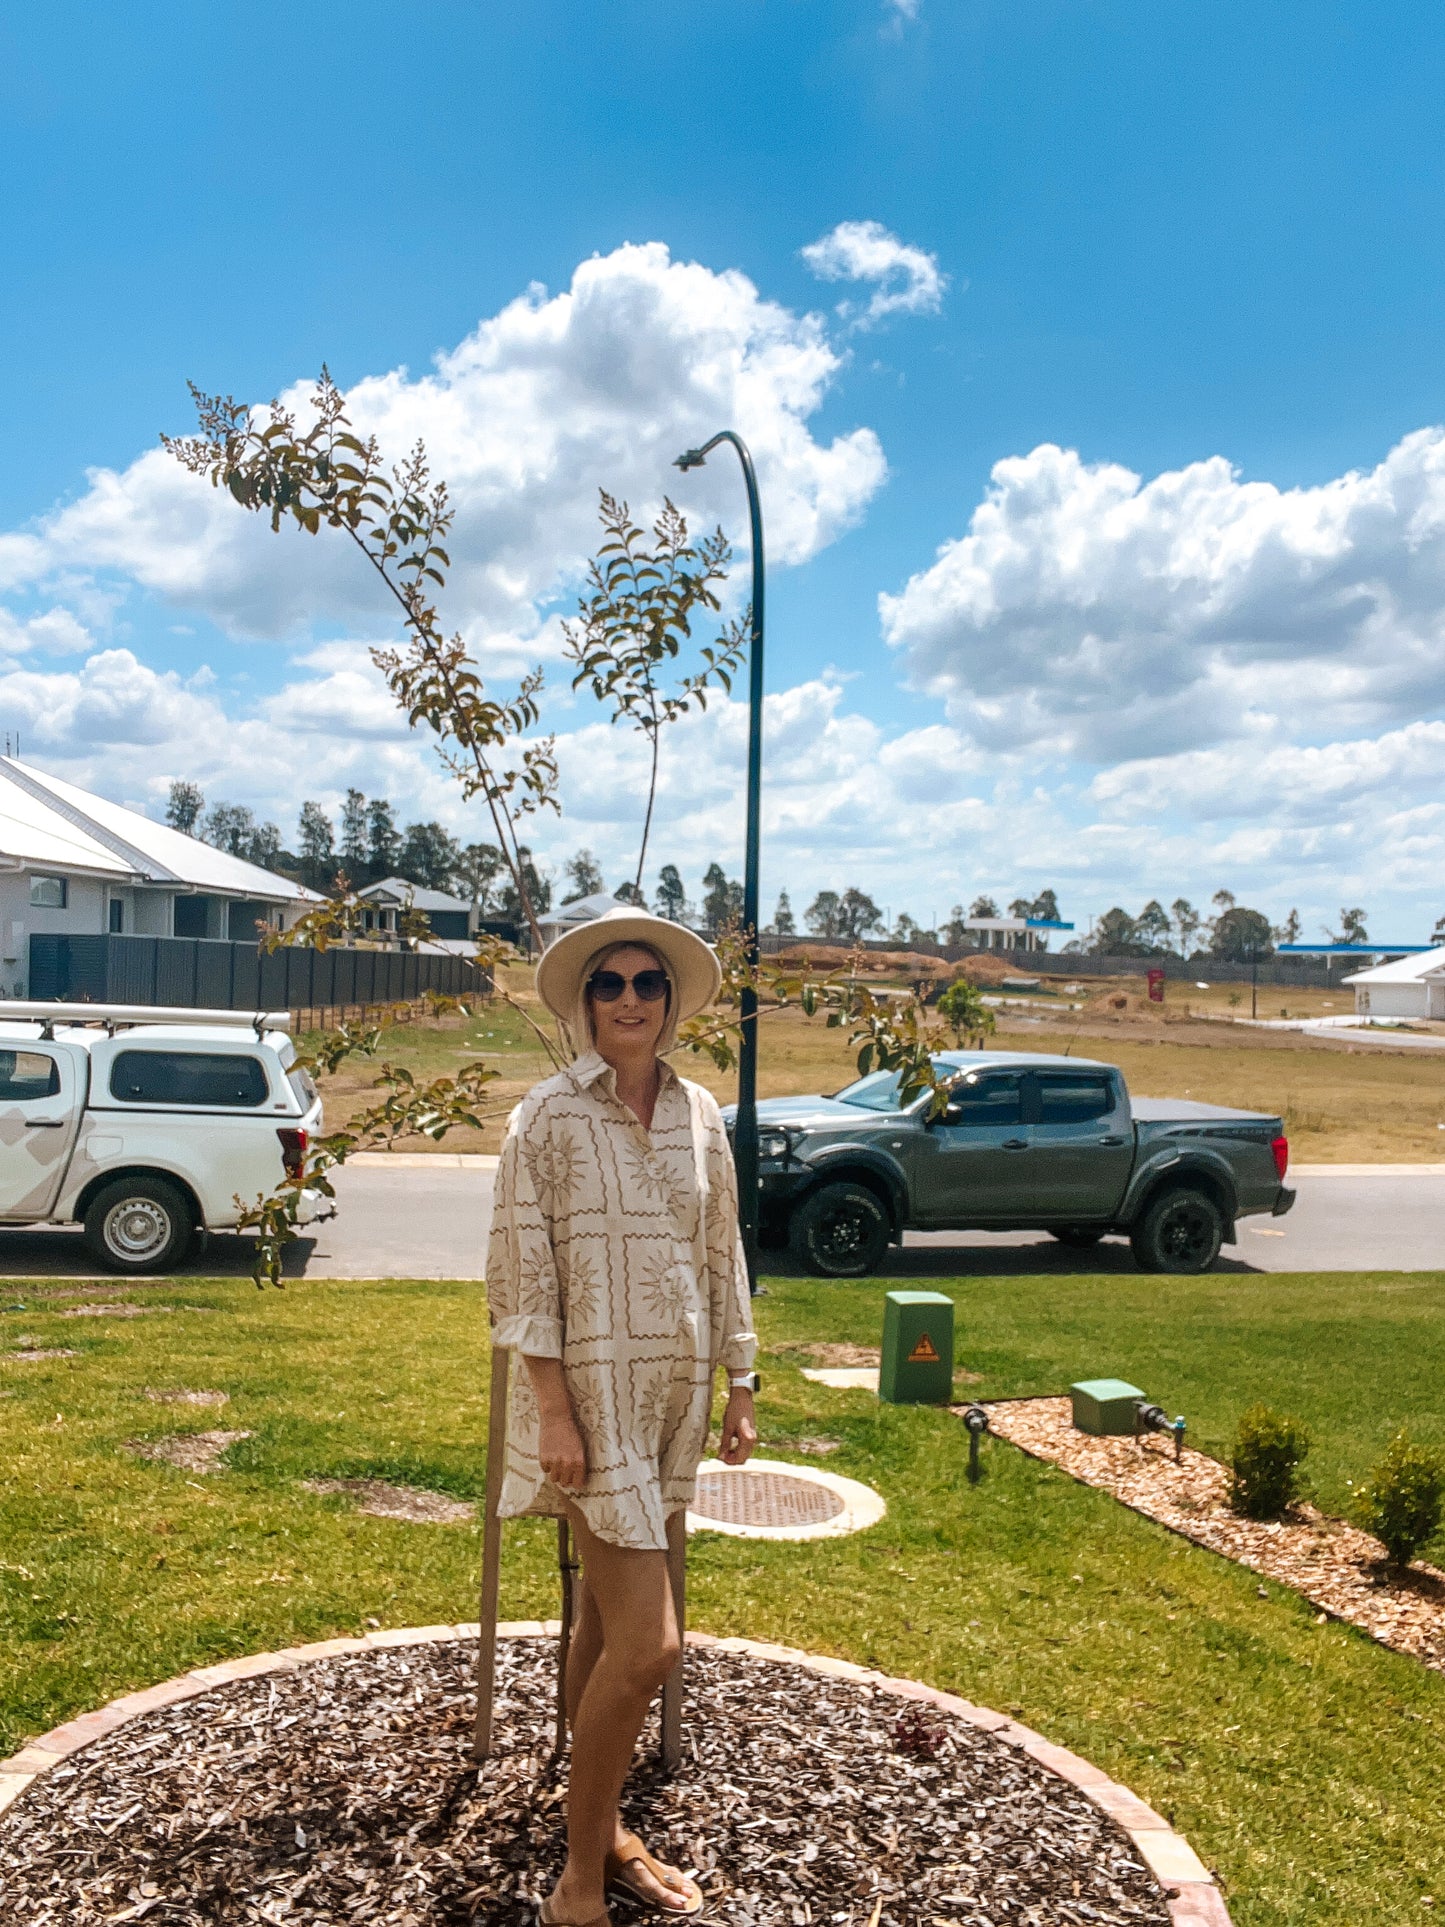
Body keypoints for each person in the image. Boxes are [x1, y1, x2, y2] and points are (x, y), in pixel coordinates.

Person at [486, 907, 759, 1926]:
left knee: (604, 1626)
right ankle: (576, 1880)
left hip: (672, 1406)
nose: (632, 999)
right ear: (586, 1002)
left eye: (650, 983)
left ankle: (600, 1836)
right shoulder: (546, 1118)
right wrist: (554, 1410)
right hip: (591, 1414)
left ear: (671, 1001)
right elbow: (522, 1273)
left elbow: (721, 1252)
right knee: (649, 1646)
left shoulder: (700, 1116)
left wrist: (739, 1381)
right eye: (611, 983)